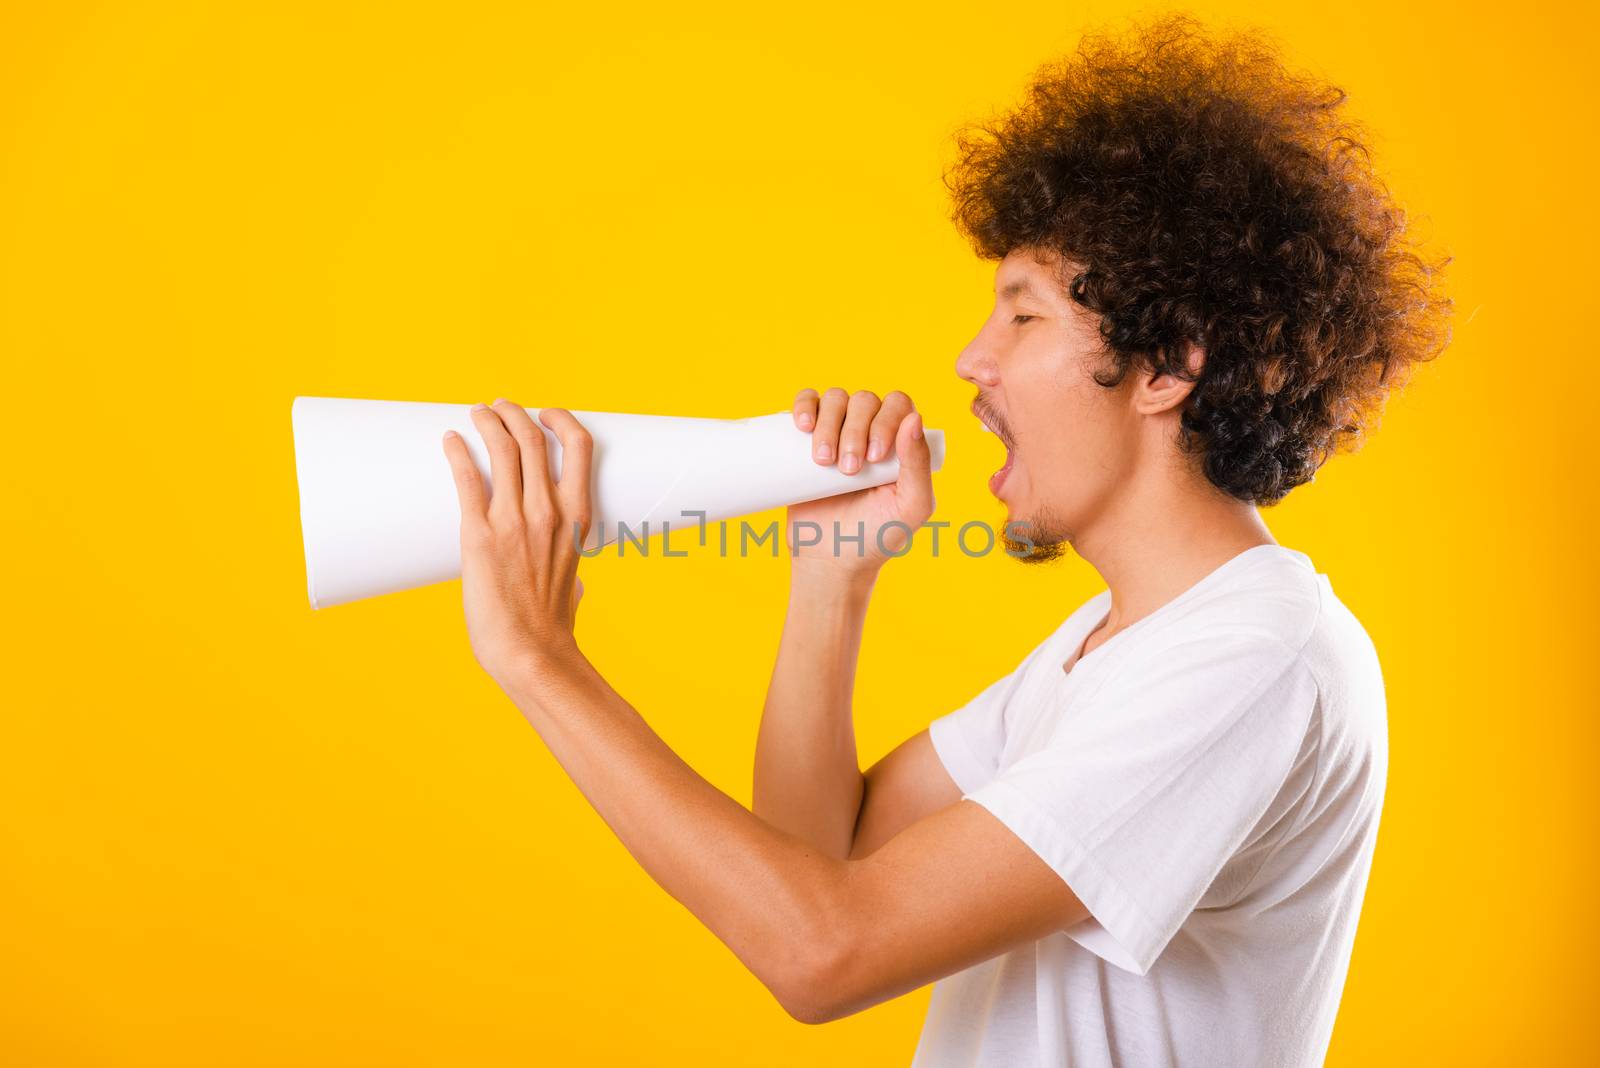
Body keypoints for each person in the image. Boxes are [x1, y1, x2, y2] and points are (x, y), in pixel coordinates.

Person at [437, 14, 1449, 1067]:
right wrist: (831, 581)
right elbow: (816, 859)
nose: (972, 360)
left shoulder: (1252, 660)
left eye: (1021, 318)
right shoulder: (1105, 649)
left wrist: (539, 661)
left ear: (1167, 368)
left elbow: (823, 954)